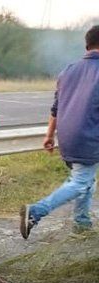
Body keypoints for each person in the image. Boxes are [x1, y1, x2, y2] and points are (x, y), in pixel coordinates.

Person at [21, 26, 99, 238]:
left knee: (86, 179)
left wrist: (49, 135)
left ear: (87, 44)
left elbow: (56, 107)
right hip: (89, 137)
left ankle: (82, 224)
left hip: (67, 136)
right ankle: (36, 211)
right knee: (81, 181)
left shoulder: (68, 70)